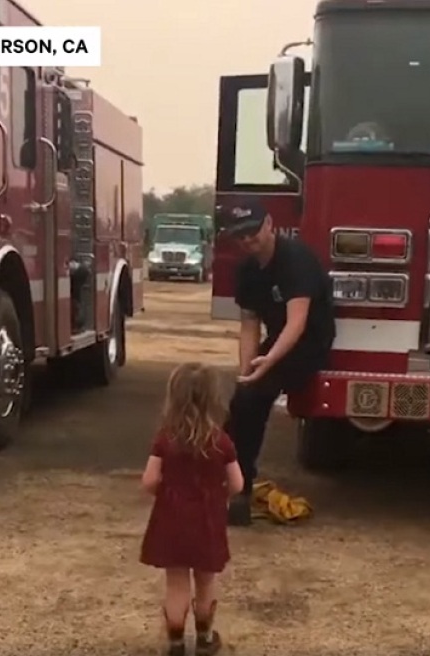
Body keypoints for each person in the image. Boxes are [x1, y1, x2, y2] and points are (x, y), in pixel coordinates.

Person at [216, 198, 336, 526]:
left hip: (310, 342)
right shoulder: (246, 271)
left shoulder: (296, 259)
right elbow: (249, 325)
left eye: (253, 232)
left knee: (256, 396)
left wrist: (267, 365)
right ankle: (229, 482)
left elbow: (297, 323)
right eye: (240, 236)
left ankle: (239, 488)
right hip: (277, 341)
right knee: (242, 400)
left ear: (269, 224)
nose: (247, 241)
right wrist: (247, 370)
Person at [139, 362, 245, 656]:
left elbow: (149, 480)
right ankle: (205, 638)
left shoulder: (165, 439)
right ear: (214, 400)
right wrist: (218, 495)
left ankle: (174, 643)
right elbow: (237, 483)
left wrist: (166, 494)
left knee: (176, 585)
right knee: (206, 580)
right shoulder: (222, 442)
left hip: (171, 520)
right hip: (208, 521)